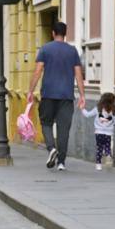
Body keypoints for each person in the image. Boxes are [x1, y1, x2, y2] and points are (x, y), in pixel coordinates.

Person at [27, 21, 86, 171]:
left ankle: (51, 148)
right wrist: (82, 95)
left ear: (53, 33)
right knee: (63, 129)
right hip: (66, 96)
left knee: (46, 123)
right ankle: (61, 163)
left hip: (48, 94)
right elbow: (78, 73)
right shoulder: (72, 51)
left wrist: (30, 91)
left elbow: (38, 71)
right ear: (65, 34)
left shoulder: (45, 49)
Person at [81, 92, 115, 171]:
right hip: (108, 133)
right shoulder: (112, 111)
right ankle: (108, 154)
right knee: (107, 146)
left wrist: (82, 108)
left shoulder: (97, 109)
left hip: (99, 133)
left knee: (99, 148)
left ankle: (98, 165)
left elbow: (88, 115)